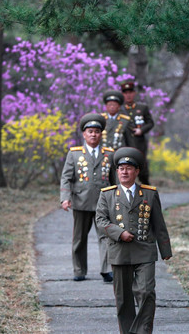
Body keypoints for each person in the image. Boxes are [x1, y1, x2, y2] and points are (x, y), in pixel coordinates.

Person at [96, 147, 172, 334]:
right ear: (117, 171)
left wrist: (165, 250)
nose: (124, 171)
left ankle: (142, 331)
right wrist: (118, 233)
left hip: (144, 251)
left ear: (136, 171)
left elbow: (158, 224)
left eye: (129, 168)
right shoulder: (107, 195)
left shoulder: (149, 194)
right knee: (123, 300)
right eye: (121, 168)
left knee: (146, 293)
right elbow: (100, 221)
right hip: (119, 252)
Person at [60, 113, 116, 282]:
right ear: (84, 134)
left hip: (103, 204)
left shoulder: (109, 154)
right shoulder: (75, 154)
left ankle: (107, 270)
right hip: (81, 202)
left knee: (106, 236)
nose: (93, 134)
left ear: (101, 134)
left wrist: (117, 200)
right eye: (90, 131)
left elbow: (114, 180)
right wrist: (65, 197)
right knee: (79, 238)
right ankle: (79, 270)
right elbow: (66, 177)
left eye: (97, 131)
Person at [120, 82, 154, 184]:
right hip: (124, 143)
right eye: (125, 93)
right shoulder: (119, 110)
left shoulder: (142, 108)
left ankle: (147, 192)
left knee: (142, 169)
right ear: (122, 95)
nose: (128, 95)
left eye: (130, 92)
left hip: (139, 143)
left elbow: (150, 123)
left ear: (134, 93)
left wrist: (142, 130)